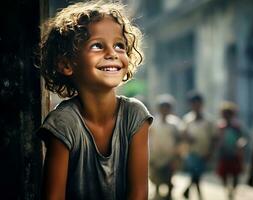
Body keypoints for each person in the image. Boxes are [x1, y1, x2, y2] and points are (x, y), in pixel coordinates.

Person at [37, 1, 153, 199]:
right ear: (66, 64)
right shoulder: (63, 123)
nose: (112, 54)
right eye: (97, 46)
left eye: (119, 45)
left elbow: (139, 193)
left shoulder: (135, 114)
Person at [182, 91, 215, 200]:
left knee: (197, 175)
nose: (196, 106)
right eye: (193, 103)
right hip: (192, 152)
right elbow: (184, 135)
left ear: (201, 104)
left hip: (204, 152)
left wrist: (211, 152)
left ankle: (187, 191)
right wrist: (188, 139)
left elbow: (214, 137)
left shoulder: (208, 121)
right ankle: (199, 195)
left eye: (198, 103)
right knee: (195, 173)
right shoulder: (187, 120)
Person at [149, 94, 182, 200]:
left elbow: (179, 140)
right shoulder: (153, 122)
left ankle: (168, 195)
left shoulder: (175, 123)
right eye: (162, 107)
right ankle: (157, 193)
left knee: (168, 177)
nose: (165, 110)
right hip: (155, 155)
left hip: (170, 156)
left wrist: (177, 156)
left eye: (167, 107)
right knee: (156, 177)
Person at [215, 101, 246, 200]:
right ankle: (227, 191)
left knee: (235, 174)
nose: (226, 116)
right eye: (224, 114)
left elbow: (242, 138)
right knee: (224, 174)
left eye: (228, 114)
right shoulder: (220, 127)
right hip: (224, 153)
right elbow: (217, 139)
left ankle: (233, 191)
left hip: (234, 154)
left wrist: (240, 146)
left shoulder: (236, 127)